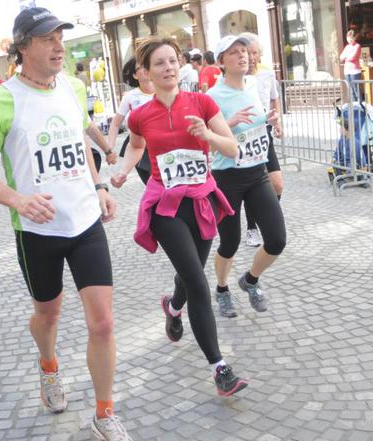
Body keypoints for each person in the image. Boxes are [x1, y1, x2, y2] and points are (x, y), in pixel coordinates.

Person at [0, 8, 131, 441]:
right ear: (23, 47)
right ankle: (49, 364)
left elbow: (79, 141)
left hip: (85, 222)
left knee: (103, 323)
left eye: (61, 37)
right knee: (48, 313)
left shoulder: (73, 87)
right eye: (48, 39)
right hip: (37, 231)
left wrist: (99, 185)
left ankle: (104, 413)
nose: (60, 47)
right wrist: (19, 200)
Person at [110, 37, 249, 397]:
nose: (169, 67)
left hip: (201, 203)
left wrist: (208, 135)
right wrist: (124, 170)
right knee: (198, 283)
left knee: (191, 275)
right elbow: (136, 146)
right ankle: (220, 369)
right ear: (145, 72)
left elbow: (232, 148)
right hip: (165, 206)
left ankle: (173, 308)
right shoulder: (140, 115)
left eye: (173, 60)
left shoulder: (202, 103)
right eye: (159, 63)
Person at [206, 35, 287, 318]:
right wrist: (228, 124)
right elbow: (204, 143)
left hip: (257, 173)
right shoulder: (212, 97)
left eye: (244, 51)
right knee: (230, 242)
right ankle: (222, 289)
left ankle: (250, 280)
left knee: (277, 240)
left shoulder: (252, 85)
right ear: (221, 62)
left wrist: (269, 121)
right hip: (227, 177)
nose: (243, 56)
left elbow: (256, 123)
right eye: (234, 53)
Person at [239, 32, 285, 248]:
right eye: (247, 53)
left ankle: (265, 217)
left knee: (277, 184)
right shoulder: (236, 77)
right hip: (245, 136)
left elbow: (274, 99)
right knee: (252, 183)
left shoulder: (267, 73)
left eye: (254, 53)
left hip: (265, 132)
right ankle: (252, 228)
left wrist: (278, 122)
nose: (251, 57)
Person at [109, 57, 154, 184]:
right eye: (141, 68)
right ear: (135, 75)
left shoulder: (163, 92)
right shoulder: (130, 96)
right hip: (138, 145)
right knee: (152, 183)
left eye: (147, 65)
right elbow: (115, 123)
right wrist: (110, 148)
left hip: (160, 144)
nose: (145, 70)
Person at [340, 30, 363, 103]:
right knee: (351, 90)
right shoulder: (347, 47)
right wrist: (347, 56)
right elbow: (341, 57)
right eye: (348, 37)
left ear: (354, 37)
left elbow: (352, 57)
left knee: (356, 89)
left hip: (354, 71)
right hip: (347, 71)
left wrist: (346, 56)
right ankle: (354, 106)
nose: (349, 39)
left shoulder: (357, 46)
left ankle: (360, 105)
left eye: (351, 37)